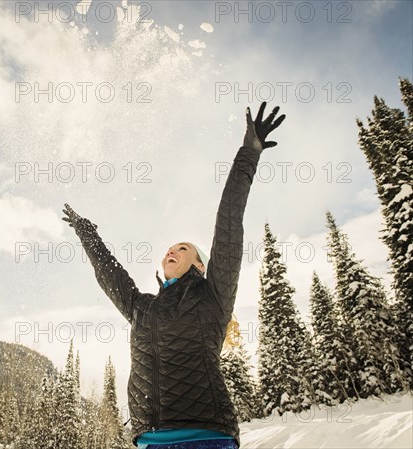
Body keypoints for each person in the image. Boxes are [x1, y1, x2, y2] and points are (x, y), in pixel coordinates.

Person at [62, 102, 286, 449]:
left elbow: (229, 221)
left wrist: (249, 152)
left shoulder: (213, 297)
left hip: (207, 438)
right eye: (170, 247)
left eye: (184, 248)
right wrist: (86, 233)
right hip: (149, 441)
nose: (172, 250)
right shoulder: (142, 307)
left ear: (199, 265)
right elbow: (110, 275)